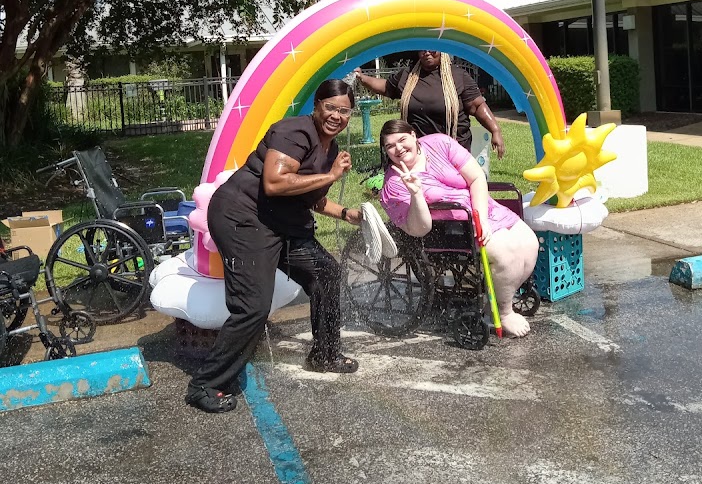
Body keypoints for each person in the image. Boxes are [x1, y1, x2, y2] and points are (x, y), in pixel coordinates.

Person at [186, 80, 362, 414]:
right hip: (243, 219)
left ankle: (325, 354)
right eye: (330, 107)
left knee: (326, 272)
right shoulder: (293, 132)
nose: (336, 116)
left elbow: (310, 194)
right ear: (317, 105)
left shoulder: (329, 147)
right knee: (253, 306)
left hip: (280, 223)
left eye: (344, 110)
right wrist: (332, 176)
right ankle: (205, 384)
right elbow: (276, 182)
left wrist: (344, 213)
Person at [378, 119, 538, 338]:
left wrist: (480, 218)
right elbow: (419, 229)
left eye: (402, 139)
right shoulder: (394, 185)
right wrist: (415, 193)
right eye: (390, 146)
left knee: (530, 244)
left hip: (483, 209)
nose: (398, 148)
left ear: (414, 136)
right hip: (453, 229)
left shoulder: (440, 143)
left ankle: (498, 295)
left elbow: (476, 178)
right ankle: (503, 311)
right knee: (507, 256)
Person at [354, 51, 505, 158]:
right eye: (422, 49)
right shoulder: (408, 75)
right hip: (418, 152)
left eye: (432, 48)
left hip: (454, 151)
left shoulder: (458, 75)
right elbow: (386, 87)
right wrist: (362, 78)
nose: (427, 52)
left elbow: (477, 106)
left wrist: (495, 130)